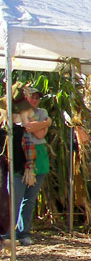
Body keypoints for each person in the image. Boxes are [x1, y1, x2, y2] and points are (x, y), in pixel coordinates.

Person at [0, 87, 48, 246]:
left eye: (37, 97)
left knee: (29, 200)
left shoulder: (41, 112)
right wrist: (45, 123)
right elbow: (30, 128)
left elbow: (40, 134)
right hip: (16, 162)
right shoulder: (9, 114)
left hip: (35, 160)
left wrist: (44, 122)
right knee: (14, 198)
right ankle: (7, 233)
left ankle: (23, 233)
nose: (34, 100)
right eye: (31, 97)